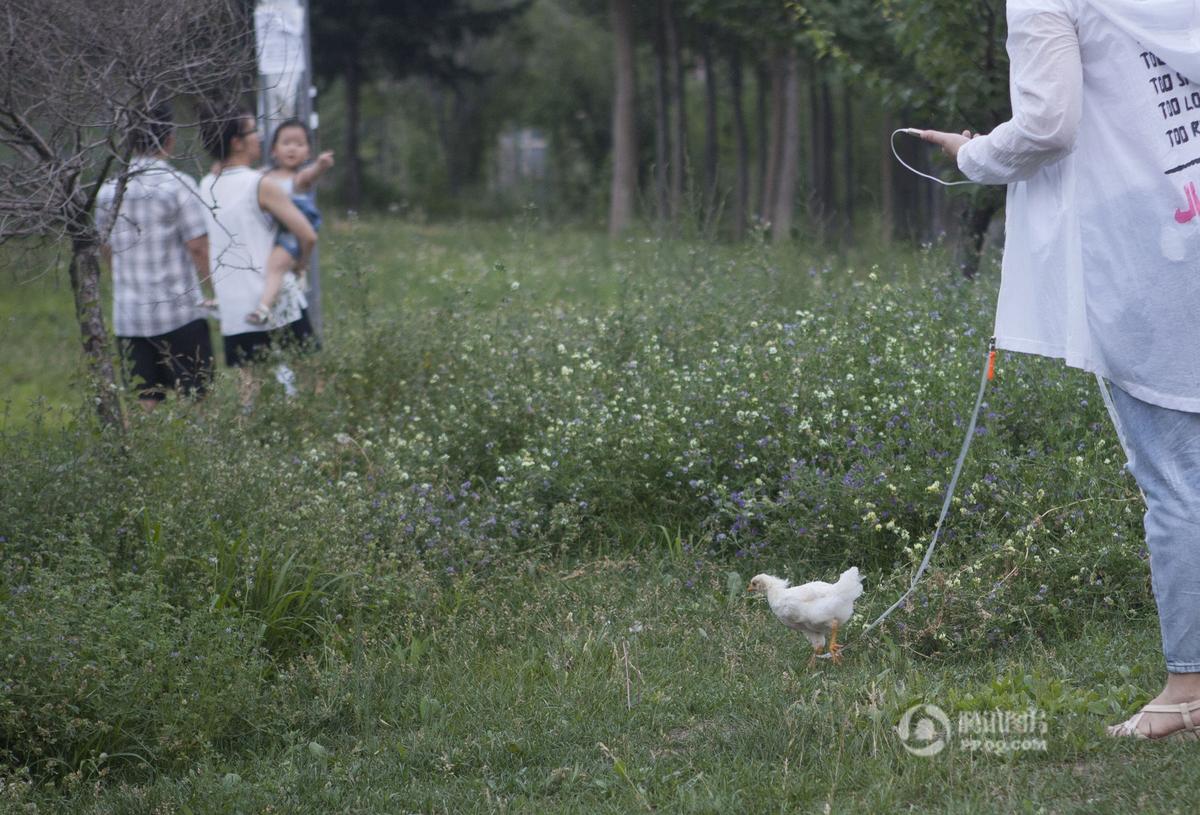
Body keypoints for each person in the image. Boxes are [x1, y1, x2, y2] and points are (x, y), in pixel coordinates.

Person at [921, 0, 1200, 740]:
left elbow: (1048, 125)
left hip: (1146, 240)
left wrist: (973, 154)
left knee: (1177, 478)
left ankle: (1187, 691)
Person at [96, 102, 216, 412]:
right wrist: (215, 291)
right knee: (196, 396)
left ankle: (146, 459)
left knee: (145, 400)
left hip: (130, 315)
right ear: (170, 138)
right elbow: (198, 247)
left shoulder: (108, 191)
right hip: (180, 312)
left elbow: (105, 249)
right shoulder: (179, 186)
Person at [199, 107, 318, 406]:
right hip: (278, 301)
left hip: (235, 305)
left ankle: (247, 442)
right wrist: (300, 264)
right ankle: (310, 438)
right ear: (237, 142)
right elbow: (307, 234)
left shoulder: (205, 185)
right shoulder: (261, 184)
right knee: (308, 381)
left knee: (249, 391)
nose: (260, 137)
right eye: (254, 131)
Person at [246, 119, 333, 326]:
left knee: (275, 267)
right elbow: (243, 178)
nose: (292, 148)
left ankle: (263, 309)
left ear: (308, 153)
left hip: (291, 236)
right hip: (270, 234)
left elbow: (310, 175)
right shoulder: (264, 174)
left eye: (299, 144)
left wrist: (320, 166)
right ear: (274, 150)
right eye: (286, 143)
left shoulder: (298, 179)